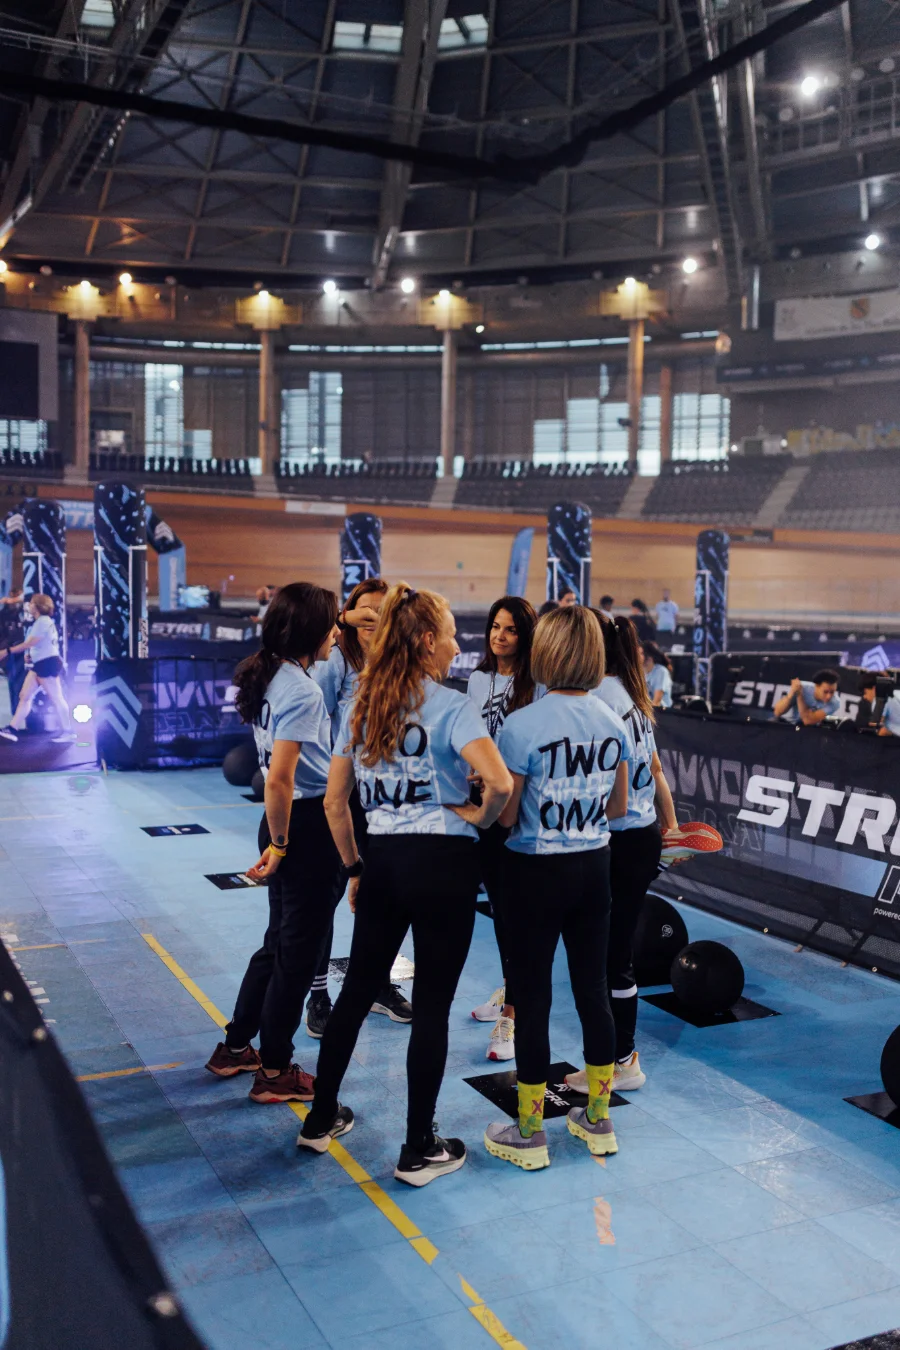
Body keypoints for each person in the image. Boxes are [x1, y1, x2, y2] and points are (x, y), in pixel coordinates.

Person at [298, 584, 512, 1185]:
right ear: (425, 641)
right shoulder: (451, 706)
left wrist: (355, 868)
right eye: (450, 636)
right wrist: (479, 817)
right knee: (434, 1009)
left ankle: (319, 1118)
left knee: (355, 993)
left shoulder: (360, 706)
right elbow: (500, 783)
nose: (457, 647)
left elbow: (335, 803)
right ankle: (419, 1148)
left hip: (385, 863)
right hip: (445, 865)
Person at [483, 606, 629, 1171]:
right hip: (594, 866)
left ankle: (528, 1132)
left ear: (545, 651)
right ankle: (598, 1119)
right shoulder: (612, 719)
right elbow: (617, 808)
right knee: (593, 991)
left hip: (535, 872)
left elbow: (506, 816)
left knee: (533, 997)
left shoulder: (522, 724)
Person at [204, 581, 345, 1104]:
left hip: (287, 824)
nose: (337, 633)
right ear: (312, 630)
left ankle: (236, 1046)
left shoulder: (273, 675)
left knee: (279, 943)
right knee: (296, 956)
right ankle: (275, 1070)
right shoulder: (302, 691)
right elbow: (280, 779)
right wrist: (282, 845)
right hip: (303, 827)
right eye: (332, 624)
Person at [565, 614, 678, 1097]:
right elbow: (656, 769)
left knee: (606, 958)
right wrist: (670, 826)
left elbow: (614, 790)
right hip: (640, 836)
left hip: (616, 840)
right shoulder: (632, 697)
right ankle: (618, 1057)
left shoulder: (599, 701)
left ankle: (619, 1060)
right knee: (614, 955)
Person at [309, 578, 412, 1036]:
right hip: (343, 793)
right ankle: (318, 995)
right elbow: (316, 721)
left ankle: (375, 984)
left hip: (386, 796)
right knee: (330, 894)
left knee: (385, 896)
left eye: (379, 610)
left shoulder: (401, 663)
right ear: (350, 616)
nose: (371, 618)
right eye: (363, 610)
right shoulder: (337, 660)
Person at [467, 595, 540, 1063]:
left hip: (518, 813)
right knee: (498, 911)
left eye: (511, 629)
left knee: (516, 916)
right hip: (482, 809)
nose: (500, 636)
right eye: (496, 626)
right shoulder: (477, 679)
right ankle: (508, 988)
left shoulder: (539, 686)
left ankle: (511, 1015)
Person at [0, 594, 74, 743]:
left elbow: (30, 643)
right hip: (40, 663)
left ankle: (68, 731)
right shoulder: (41, 622)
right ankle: (12, 728)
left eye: (32, 603)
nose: (29, 605)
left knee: (57, 698)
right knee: (25, 696)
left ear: (38, 606)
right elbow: (39, 644)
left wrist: (7, 651)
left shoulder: (43, 622)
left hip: (47, 664)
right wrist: (31, 655)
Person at [774, 669, 840, 726]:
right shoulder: (800, 686)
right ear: (816, 686)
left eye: (832, 692)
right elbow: (777, 712)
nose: (829, 696)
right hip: (784, 722)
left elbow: (807, 721)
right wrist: (791, 694)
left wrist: (799, 695)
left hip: (807, 728)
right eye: (825, 692)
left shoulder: (835, 702)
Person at [0, 587, 26, 717]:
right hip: (9, 654)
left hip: (23, 652)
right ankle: (15, 713)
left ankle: (20, 714)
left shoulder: (25, 613)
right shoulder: (4, 615)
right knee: (13, 683)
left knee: (22, 684)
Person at [642, 640, 673, 709]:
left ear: (649, 658)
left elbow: (656, 702)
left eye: (641, 653)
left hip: (663, 712)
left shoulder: (661, 672)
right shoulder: (640, 672)